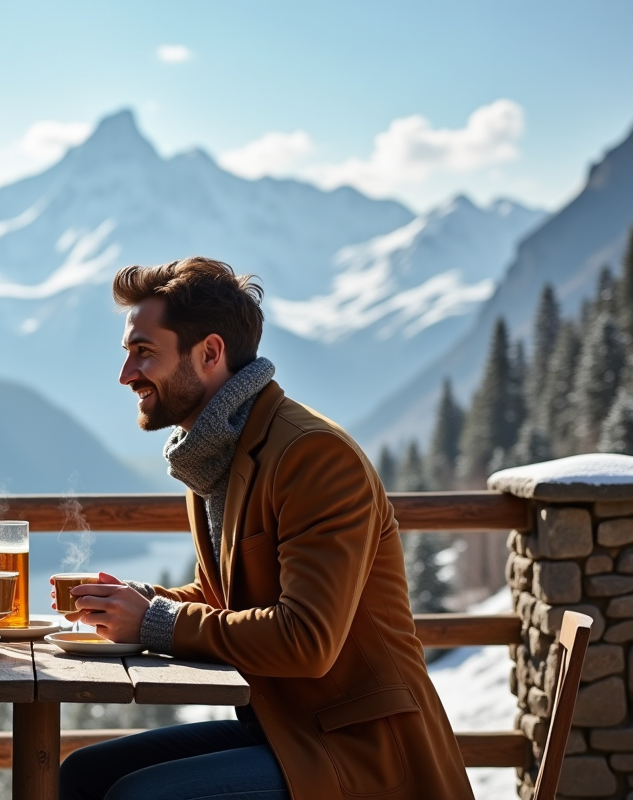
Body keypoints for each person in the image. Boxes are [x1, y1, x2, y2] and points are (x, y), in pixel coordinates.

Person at [56, 257, 472, 800]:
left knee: (139, 797)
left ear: (209, 354)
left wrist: (155, 621)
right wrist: (135, 601)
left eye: (143, 352)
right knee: (83, 776)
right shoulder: (213, 455)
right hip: (285, 730)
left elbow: (307, 640)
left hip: (361, 750)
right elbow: (226, 597)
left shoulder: (312, 456)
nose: (126, 375)